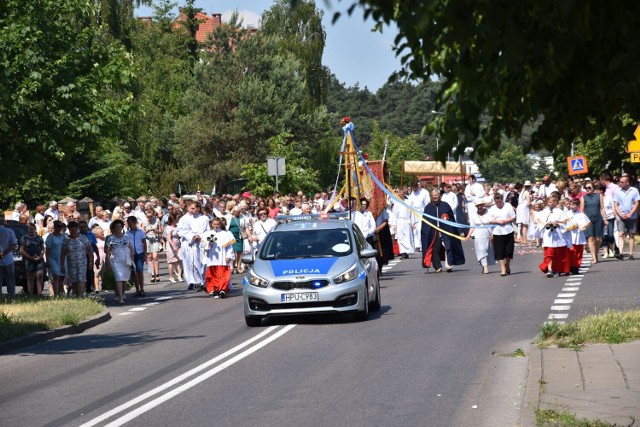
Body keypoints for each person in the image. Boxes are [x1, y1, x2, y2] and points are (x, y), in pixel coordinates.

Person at [420, 188, 465, 272]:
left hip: (445, 230)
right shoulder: (428, 207)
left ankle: (449, 265)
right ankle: (437, 266)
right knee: (435, 248)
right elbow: (425, 221)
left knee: (448, 246)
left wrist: (452, 229)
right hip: (433, 231)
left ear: (439, 196)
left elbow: (451, 218)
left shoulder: (445, 205)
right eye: (433, 196)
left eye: (436, 196)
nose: (435, 198)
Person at [177, 201, 209, 289]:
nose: (191, 210)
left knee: (200, 262)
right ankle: (191, 281)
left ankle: (201, 281)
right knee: (189, 262)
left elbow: (208, 231)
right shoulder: (184, 218)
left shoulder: (204, 218)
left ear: (198, 209)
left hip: (200, 243)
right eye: (190, 208)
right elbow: (180, 231)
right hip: (188, 243)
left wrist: (200, 236)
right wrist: (191, 236)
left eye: (193, 208)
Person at [201, 217, 235, 298]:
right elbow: (202, 244)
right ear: (211, 225)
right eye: (214, 224)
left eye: (217, 224)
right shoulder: (206, 233)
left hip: (222, 257)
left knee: (223, 274)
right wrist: (208, 243)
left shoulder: (224, 233)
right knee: (212, 274)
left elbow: (229, 246)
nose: (216, 226)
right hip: (212, 257)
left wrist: (229, 255)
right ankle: (213, 289)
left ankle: (222, 289)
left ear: (220, 224)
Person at [537, 196, 570, 277]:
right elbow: (539, 221)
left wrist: (558, 223)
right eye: (548, 202)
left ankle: (557, 269)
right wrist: (546, 224)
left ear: (555, 203)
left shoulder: (559, 211)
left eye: (551, 202)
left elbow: (566, 222)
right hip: (548, 235)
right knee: (549, 252)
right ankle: (549, 270)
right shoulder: (544, 212)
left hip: (557, 235)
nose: (549, 203)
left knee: (558, 253)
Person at [60, 221, 93, 298]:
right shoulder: (66, 239)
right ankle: (77, 294)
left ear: (77, 229)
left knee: (81, 279)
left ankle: (80, 296)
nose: (73, 232)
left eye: (74, 230)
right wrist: (62, 265)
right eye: (71, 230)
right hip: (71, 263)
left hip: (82, 262)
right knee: (74, 280)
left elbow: (89, 251)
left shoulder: (83, 238)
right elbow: (63, 253)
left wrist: (90, 262)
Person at [105, 219, 134, 304]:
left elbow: (131, 248)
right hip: (115, 260)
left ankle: (123, 294)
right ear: (114, 228)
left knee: (124, 278)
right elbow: (108, 251)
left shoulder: (126, 236)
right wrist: (108, 262)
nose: (118, 228)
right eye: (117, 227)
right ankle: (120, 297)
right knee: (119, 277)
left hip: (126, 259)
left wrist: (132, 259)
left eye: (120, 226)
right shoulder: (111, 238)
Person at [488, 193, 517, 276]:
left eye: (500, 200)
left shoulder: (508, 206)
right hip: (497, 231)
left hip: (508, 230)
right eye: (497, 201)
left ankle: (507, 264)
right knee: (499, 251)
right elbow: (489, 220)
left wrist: (506, 220)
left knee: (509, 250)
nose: (499, 202)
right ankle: (503, 268)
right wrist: (497, 221)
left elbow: (513, 216)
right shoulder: (492, 209)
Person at [613, 174, 640, 259]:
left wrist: (631, 213)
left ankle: (631, 253)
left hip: (631, 216)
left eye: (622, 182)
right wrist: (620, 214)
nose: (619, 183)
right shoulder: (618, 191)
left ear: (627, 182)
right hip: (621, 216)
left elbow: (637, 203)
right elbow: (616, 204)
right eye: (619, 182)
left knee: (631, 234)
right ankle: (620, 253)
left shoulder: (634, 190)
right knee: (621, 234)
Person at [465, 200, 494, 274]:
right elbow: (472, 226)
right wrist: (468, 235)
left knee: (487, 250)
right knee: (481, 250)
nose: (479, 207)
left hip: (487, 233)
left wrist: (493, 233)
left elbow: (493, 223)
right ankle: (485, 266)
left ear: (483, 205)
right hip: (478, 234)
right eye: (478, 205)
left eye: (481, 205)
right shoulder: (473, 214)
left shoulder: (489, 212)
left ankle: (484, 265)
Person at [580, 182, 605, 263]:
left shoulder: (599, 196)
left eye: (589, 187)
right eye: (586, 188)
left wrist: (604, 218)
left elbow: (602, 208)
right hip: (588, 220)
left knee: (598, 239)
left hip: (598, 218)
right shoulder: (583, 197)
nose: (587, 189)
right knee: (591, 238)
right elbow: (582, 210)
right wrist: (582, 221)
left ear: (593, 188)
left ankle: (596, 253)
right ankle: (594, 257)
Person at [19, 223, 46, 296]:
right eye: (29, 229)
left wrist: (40, 256)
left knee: (40, 276)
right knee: (30, 278)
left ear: (35, 229)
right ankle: (30, 294)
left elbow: (43, 249)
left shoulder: (39, 238)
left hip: (39, 260)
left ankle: (39, 294)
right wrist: (30, 257)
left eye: (32, 229)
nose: (30, 231)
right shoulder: (24, 238)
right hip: (28, 260)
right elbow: (21, 250)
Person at [566, 199, 590, 275]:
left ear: (578, 206)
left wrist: (582, 227)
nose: (572, 206)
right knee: (571, 251)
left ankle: (576, 266)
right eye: (571, 204)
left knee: (578, 251)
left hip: (578, 234)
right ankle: (571, 265)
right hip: (569, 234)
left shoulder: (581, 214)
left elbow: (587, 223)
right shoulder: (567, 213)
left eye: (574, 205)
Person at [126, 216, 147, 296]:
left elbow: (144, 244)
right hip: (131, 254)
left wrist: (145, 254)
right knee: (133, 272)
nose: (129, 225)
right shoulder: (127, 233)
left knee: (139, 270)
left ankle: (142, 289)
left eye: (131, 223)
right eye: (128, 223)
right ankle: (137, 289)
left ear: (135, 223)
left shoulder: (140, 232)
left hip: (140, 253)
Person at [392, 189, 416, 259]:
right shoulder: (396, 203)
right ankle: (403, 252)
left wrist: (413, 222)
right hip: (399, 221)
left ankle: (408, 251)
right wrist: (394, 224)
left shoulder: (409, 202)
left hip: (407, 221)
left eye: (401, 193)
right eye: (399, 193)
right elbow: (394, 214)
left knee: (407, 236)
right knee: (400, 237)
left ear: (404, 194)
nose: (400, 195)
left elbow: (412, 213)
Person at [45, 220, 66, 296]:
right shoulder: (50, 237)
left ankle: (61, 293)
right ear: (54, 227)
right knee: (56, 276)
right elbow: (47, 250)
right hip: (53, 259)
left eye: (60, 226)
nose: (59, 228)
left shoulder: (64, 236)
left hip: (63, 259)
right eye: (57, 226)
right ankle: (56, 294)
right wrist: (47, 260)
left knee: (61, 277)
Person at [78, 221, 100, 294]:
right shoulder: (77, 235)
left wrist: (98, 257)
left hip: (90, 255)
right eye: (81, 227)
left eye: (84, 227)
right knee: (81, 273)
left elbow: (94, 246)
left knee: (90, 272)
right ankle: (81, 289)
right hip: (80, 256)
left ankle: (88, 287)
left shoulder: (91, 235)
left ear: (87, 227)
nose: (83, 228)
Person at [408, 181, 430, 251]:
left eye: (415, 187)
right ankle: (417, 245)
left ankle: (422, 244)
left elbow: (426, 203)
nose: (414, 188)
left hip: (422, 212)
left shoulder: (424, 192)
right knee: (415, 229)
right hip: (414, 213)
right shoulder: (411, 194)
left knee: (421, 229)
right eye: (413, 187)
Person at [0, 218, 18, 300]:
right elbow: (14, 244)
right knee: (10, 278)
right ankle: (12, 296)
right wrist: (5, 252)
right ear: (4, 223)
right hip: (8, 258)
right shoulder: (9, 231)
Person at [143, 207, 162, 282]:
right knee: (150, 257)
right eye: (148, 217)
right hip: (148, 240)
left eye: (151, 216)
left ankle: (157, 274)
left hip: (155, 239)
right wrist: (146, 231)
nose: (149, 218)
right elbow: (141, 233)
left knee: (155, 257)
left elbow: (161, 231)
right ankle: (152, 274)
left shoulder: (157, 220)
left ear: (153, 215)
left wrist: (156, 230)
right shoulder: (144, 222)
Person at [163, 214, 183, 283]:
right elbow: (168, 238)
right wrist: (173, 246)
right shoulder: (169, 228)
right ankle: (171, 276)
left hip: (178, 244)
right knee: (172, 261)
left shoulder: (176, 227)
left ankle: (179, 275)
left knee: (180, 260)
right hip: (171, 245)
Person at [516, 181, 533, 245]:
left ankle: (522, 239)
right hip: (524, 208)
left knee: (521, 224)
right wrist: (532, 204)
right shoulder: (527, 192)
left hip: (519, 207)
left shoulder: (522, 192)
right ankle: (525, 240)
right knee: (525, 225)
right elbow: (528, 203)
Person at [92, 225, 106, 293]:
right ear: (96, 234)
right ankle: (97, 288)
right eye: (101, 232)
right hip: (97, 259)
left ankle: (104, 286)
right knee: (96, 273)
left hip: (104, 259)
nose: (103, 233)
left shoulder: (105, 239)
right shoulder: (94, 241)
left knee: (103, 274)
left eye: (103, 232)